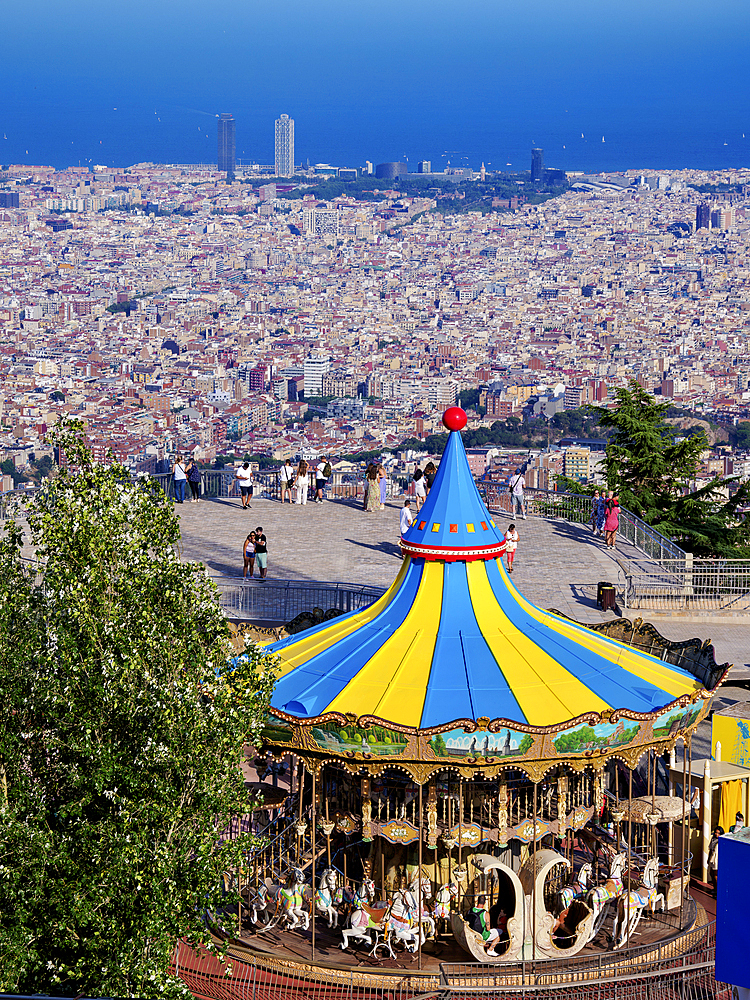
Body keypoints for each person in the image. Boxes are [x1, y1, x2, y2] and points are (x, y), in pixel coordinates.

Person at [708, 826, 723, 894]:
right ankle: (715, 888)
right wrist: (708, 858)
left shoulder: (722, 840)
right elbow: (710, 849)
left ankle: (718, 891)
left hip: (717, 859)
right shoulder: (713, 839)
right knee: (711, 873)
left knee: (715, 875)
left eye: (718, 833)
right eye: (716, 833)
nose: (717, 834)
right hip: (712, 858)